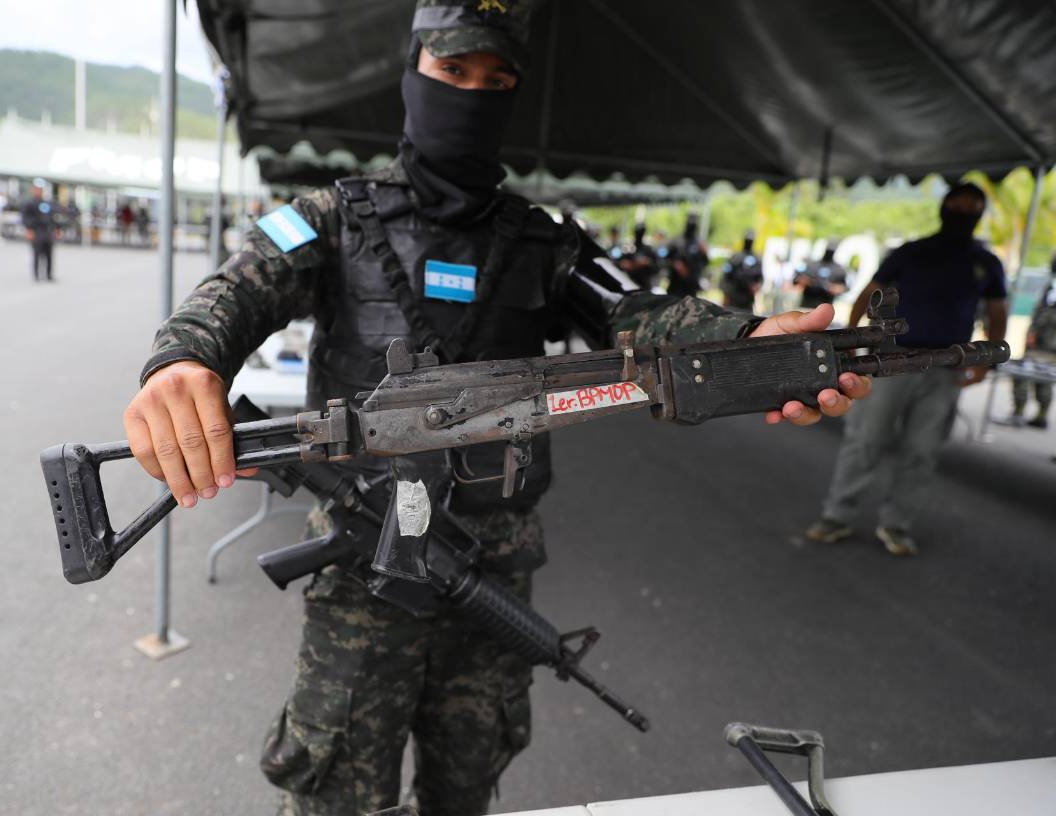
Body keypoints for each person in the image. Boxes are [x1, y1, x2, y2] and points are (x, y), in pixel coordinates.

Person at [121, 2, 869, 812]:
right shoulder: (330, 218)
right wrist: (184, 359)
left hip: (492, 567)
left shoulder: (546, 244)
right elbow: (234, 291)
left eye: (497, 79)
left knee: (468, 780)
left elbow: (644, 317)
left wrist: (750, 341)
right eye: (453, 71)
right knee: (333, 781)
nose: (473, 93)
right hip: (367, 554)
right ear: (414, 73)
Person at [806, 183, 1007, 556]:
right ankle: (837, 515)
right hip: (892, 361)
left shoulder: (985, 263)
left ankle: (896, 524)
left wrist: (987, 361)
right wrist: (852, 342)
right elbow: (870, 293)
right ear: (944, 208)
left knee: (922, 450)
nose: (962, 214)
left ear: (979, 214)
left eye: (971, 209)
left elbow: (998, 312)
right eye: (957, 207)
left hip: (946, 366)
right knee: (866, 439)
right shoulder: (912, 252)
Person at [1009, 262, 1056, 429]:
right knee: (1029, 375)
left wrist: (1034, 332)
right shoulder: (1051, 285)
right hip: (1041, 343)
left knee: (1039, 378)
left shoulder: (1052, 288)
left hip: (1048, 345)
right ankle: (1022, 412)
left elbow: (1046, 315)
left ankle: (1033, 414)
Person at [20, 185, 59, 282]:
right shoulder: (29, 203)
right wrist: (29, 230)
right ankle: (36, 274)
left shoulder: (47, 202)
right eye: (37, 189)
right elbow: (25, 217)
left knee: (49, 254)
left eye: (40, 190)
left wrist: (56, 229)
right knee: (36, 254)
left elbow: (52, 217)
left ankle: (49, 274)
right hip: (36, 231)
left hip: (47, 231)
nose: (39, 191)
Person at [665, 212, 708, 298]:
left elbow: (705, 263)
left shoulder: (699, 243)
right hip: (675, 285)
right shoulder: (676, 241)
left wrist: (704, 253)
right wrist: (675, 265)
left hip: (691, 286)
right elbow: (664, 259)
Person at [794, 243, 848, 309]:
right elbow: (797, 279)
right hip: (808, 301)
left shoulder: (838, 269)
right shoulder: (813, 265)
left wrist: (835, 288)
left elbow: (844, 287)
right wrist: (804, 281)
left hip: (825, 304)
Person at [721, 230, 763, 311]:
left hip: (748, 299)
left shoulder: (756, 259)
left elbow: (760, 277)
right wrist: (726, 294)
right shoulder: (735, 257)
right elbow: (726, 276)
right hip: (734, 297)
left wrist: (757, 286)